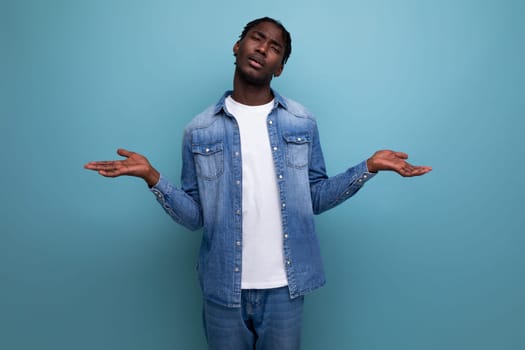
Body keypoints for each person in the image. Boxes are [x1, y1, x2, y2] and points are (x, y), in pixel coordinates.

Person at [84, 17, 432, 350]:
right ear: (237, 47)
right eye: (257, 38)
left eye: (275, 47)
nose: (263, 48)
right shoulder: (199, 130)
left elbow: (315, 197)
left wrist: (367, 167)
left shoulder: (301, 122)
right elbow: (194, 217)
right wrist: (152, 177)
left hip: (285, 287)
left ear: (279, 67)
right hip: (223, 288)